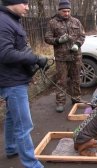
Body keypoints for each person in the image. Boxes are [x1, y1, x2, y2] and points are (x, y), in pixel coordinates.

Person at [0, 0, 48, 167]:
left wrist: (31, 66)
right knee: (24, 125)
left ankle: (11, 148)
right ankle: (32, 164)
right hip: (12, 81)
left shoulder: (12, 19)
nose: (28, 7)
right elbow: (5, 53)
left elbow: (19, 48)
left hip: (16, 77)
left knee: (12, 116)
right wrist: (34, 58)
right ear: (12, 3)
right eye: (24, 3)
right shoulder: (3, 22)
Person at [45, 0, 85, 113]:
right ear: (59, 11)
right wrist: (58, 40)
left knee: (76, 79)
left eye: (68, 11)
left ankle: (76, 98)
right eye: (64, 11)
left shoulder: (76, 21)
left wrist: (77, 44)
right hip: (61, 58)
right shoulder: (52, 22)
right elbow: (47, 38)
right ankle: (60, 103)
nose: (66, 13)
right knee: (61, 81)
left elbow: (82, 36)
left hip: (75, 56)